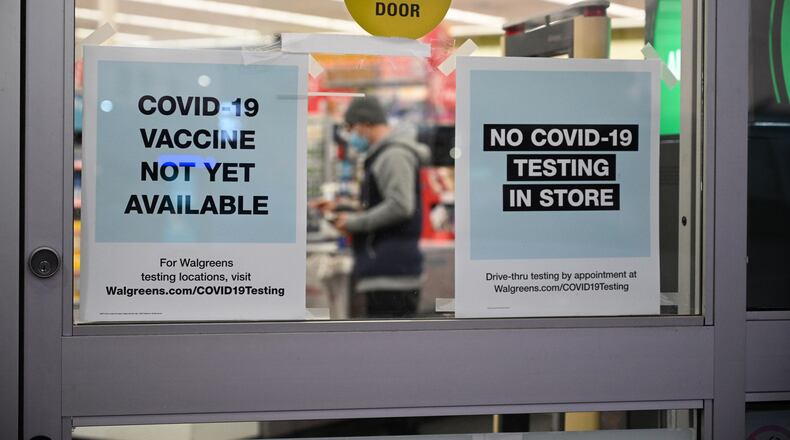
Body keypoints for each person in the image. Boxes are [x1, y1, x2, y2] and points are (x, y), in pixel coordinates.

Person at [316, 97, 431, 318]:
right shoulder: (383, 155)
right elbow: (382, 202)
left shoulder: (393, 155)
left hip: (393, 273)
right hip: (384, 269)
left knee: (391, 347)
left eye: (351, 128)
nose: (350, 135)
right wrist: (343, 207)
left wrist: (354, 223)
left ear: (365, 123)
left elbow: (400, 205)